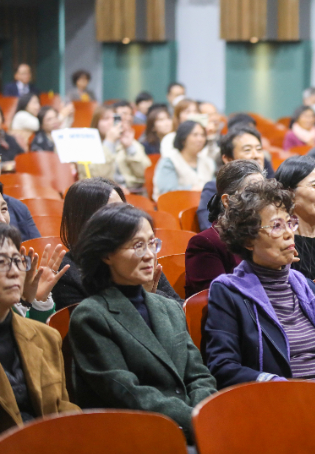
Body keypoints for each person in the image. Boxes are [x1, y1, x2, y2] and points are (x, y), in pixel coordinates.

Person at [203, 180, 315, 389]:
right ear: (248, 239)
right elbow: (222, 366)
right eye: (276, 226)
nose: (289, 233)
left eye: (290, 223)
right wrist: (276, 384)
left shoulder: (307, 287)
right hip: (280, 406)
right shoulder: (229, 292)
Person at [68, 204, 217, 440]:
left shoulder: (168, 307)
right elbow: (128, 393)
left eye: (152, 243)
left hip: (192, 426)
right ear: (107, 254)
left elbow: (199, 376)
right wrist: (196, 419)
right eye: (138, 245)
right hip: (137, 436)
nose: (149, 254)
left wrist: (203, 415)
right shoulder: (91, 316)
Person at [53, 178, 180, 311]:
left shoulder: (139, 255)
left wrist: (147, 296)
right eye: (112, 212)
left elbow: (179, 308)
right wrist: (138, 296)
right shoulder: (67, 272)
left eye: (122, 210)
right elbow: (88, 326)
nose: (122, 218)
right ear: (86, 221)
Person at [0, 223, 79, 434]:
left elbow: (63, 410)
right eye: (1, 262)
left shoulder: (47, 337)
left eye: (17, 261)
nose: (14, 271)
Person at [185, 160, 265, 296]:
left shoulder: (269, 235)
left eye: (265, 191)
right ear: (227, 201)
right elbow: (220, 298)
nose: (262, 199)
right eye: (252, 192)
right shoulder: (205, 243)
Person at [0, 194, 66, 322]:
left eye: (3, 209)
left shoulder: (20, 265)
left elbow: (37, 335)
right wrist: (23, 302)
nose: (2, 220)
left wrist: (38, 301)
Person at [196, 124, 273, 231]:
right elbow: (207, 226)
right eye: (247, 150)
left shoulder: (272, 186)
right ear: (227, 159)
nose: (256, 155)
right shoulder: (214, 189)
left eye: (259, 149)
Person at [82, 105, 152, 193]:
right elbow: (96, 177)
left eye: (115, 119)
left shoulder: (128, 141)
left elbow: (145, 173)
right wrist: (109, 142)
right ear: (96, 123)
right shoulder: (87, 146)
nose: (111, 123)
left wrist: (129, 147)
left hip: (133, 191)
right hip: (102, 194)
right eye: (106, 119)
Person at [153, 120, 215, 200]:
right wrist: (191, 190)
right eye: (195, 135)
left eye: (203, 135)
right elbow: (167, 192)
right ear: (183, 139)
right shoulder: (169, 162)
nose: (200, 139)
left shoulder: (208, 162)